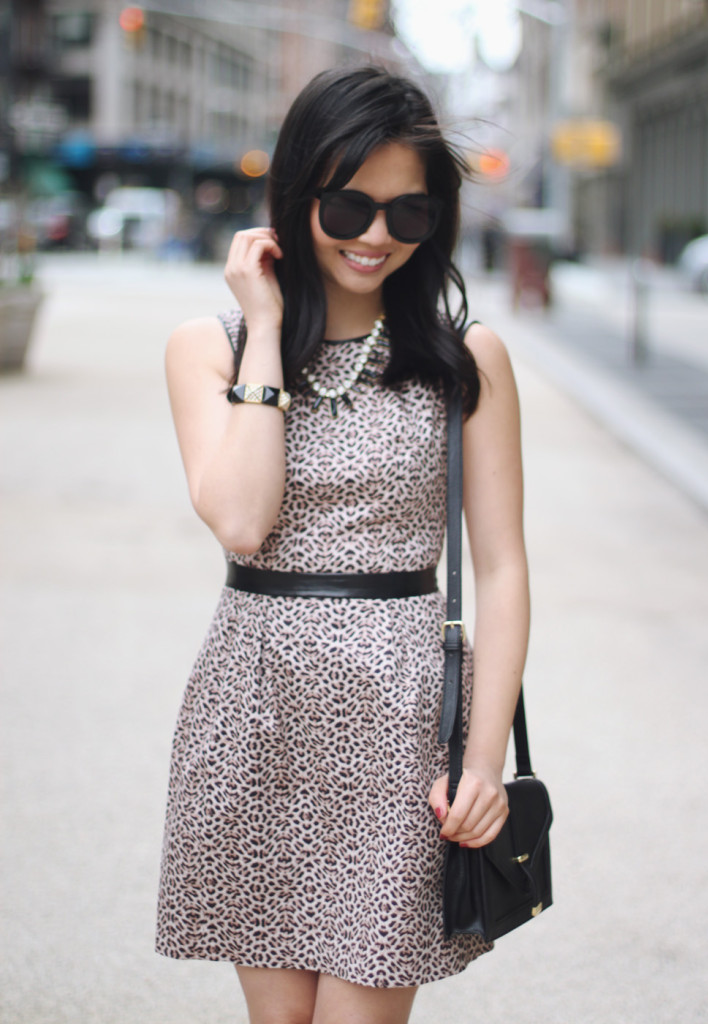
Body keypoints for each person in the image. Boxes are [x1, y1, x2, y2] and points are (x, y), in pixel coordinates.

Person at [156, 65, 529, 1024]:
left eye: (407, 216)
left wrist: (480, 758)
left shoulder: (464, 357)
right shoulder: (213, 345)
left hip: (402, 725)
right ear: (297, 193)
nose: (375, 238)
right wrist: (271, 327)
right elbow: (241, 521)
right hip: (255, 708)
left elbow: (501, 565)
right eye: (350, 206)